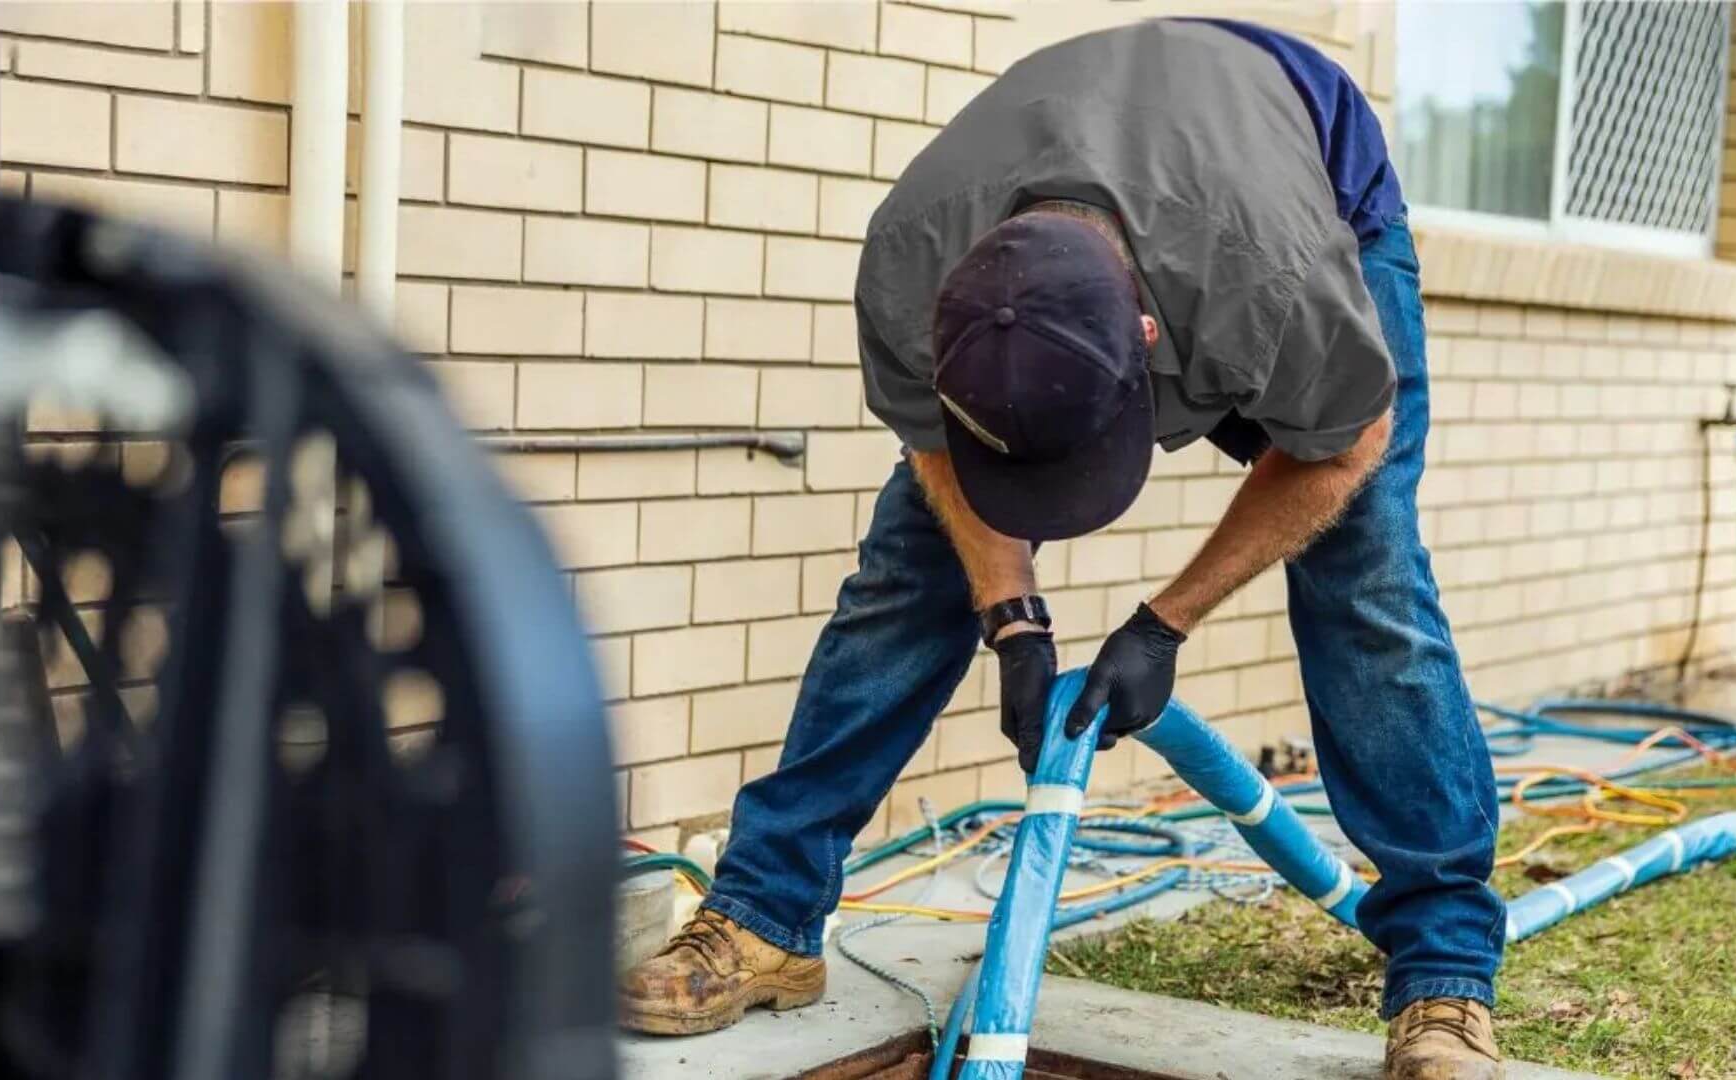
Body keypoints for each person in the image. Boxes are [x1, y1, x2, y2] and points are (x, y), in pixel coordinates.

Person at [620, 18, 1506, 1080]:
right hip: (1102, 172)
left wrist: (1163, 625)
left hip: (1306, 177)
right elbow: (935, 452)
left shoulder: (1273, 280)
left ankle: (1444, 977)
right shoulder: (913, 262)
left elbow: (1342, 446)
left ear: (1145, 342)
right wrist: (1012, 620)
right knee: (910, 570)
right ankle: (763, 914)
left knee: (1368, 582)